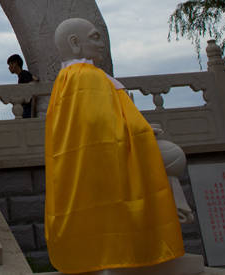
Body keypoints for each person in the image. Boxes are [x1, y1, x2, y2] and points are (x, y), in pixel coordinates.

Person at [43, 18, 183, 274]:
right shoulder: (87, 77)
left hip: (85, 164)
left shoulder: (67, 79)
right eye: (95, 37)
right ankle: (142, 242)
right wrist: (141, 131)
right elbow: (102, 125)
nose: (101, 43)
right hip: (106, 158)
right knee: (173, 156)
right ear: (75, 43)